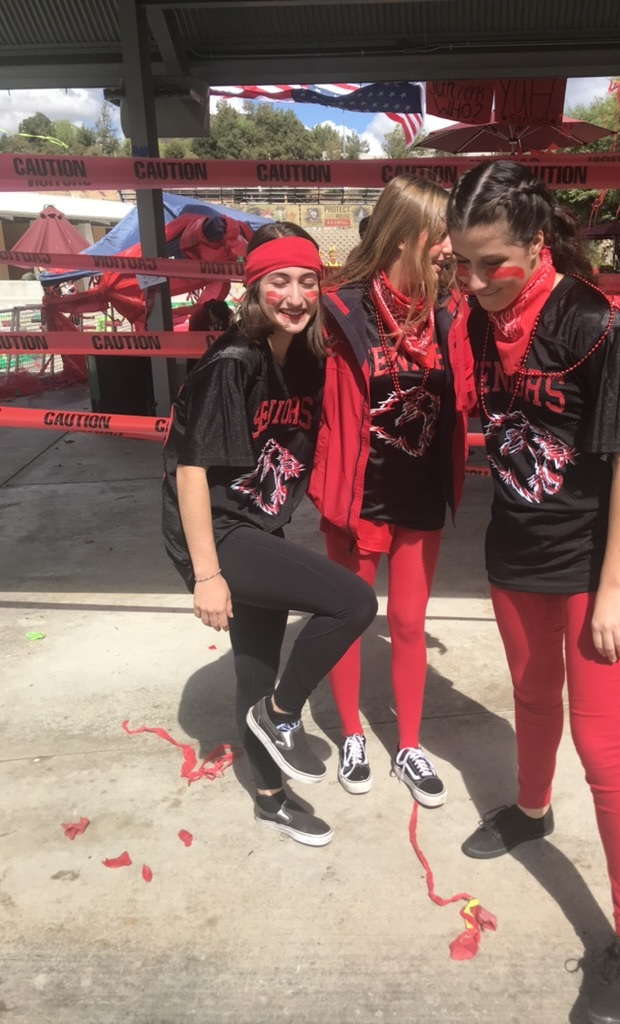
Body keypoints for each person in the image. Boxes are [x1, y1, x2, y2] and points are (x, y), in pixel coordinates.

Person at [446, 161, 620, 1024]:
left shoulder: (591, 323)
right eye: (459, 263)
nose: (473, 281)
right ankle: (531, 810)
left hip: (597, 561)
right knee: (533, 694)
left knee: (603, 742)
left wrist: (614, 588)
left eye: (490, 262)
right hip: (518, 546)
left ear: (535, 247)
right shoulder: (474, 317)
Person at [162, 222, 378, 847]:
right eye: (278, 281)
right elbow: (192, 472)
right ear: (251, 289)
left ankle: (269, 798)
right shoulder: (233, 363)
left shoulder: (306, 358)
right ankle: (281, 716)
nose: (294, 295)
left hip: (259, 523)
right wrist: (206, 576)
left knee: (256, 666)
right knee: (354, 602)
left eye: (307, 281)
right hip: (219, 532)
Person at [309, 174, 474, 807]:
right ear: (407, 234)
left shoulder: (450, 313)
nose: (448, 251)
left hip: (420, 499)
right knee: (350, 619)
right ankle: (352, 733)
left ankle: (408, 744)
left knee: (409, 622)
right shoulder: (339, 309)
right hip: (355, 500)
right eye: (442, 237)